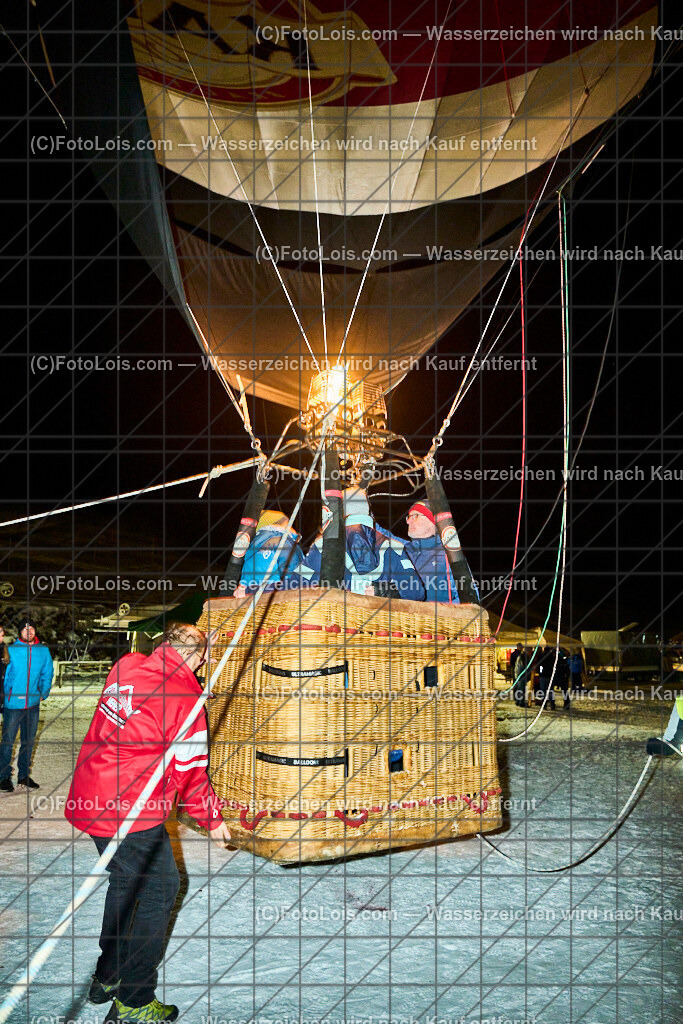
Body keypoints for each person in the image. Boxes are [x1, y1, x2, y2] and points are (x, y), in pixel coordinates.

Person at [65, 623, 231, 1023]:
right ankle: (135, 1000)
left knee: (126, 883)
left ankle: (107, 976)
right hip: (130, 808)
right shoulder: (187, 698)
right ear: (194, 656)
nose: (206, 661)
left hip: (92, 798)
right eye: (203, 654)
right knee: (161, 888)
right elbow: (191, 771)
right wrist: (214, 821)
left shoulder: (127, 664)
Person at [299, 487, 426, 600]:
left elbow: (296, 584)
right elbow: (416, 593)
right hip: (380, 623)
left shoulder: (323, 546)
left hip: (336, 622)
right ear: (368, 510)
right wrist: (383, 591)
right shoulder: (394, 548)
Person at [0, 617, 53, 792]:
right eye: (25, 629)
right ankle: (4, 777)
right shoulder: (11, 650)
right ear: (20, 632)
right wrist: (7, 695)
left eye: (31, 629)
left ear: (35, 631)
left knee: (28, 742)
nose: (28, 631)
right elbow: (6, 676)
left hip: (32, 705)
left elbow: (47, 674)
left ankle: (23, 776)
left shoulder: (43, 651)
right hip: (12, 705)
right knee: (8, 742)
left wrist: (43, 693)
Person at [401, 500, 479, 604]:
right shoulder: (404, 549)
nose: (408, 521)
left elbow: (470, 600)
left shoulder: (449, 555)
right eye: (408, 517)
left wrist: (438, 612)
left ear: (432, 521)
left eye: (415, 516)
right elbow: (378, 534)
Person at [233, 510, 304, 597]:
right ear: (281, 524)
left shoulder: (252, 548)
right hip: (279, 600)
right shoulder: (283, 541)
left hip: (252, 600)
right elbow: (298, 576)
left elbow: (245, 580)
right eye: (289, 523)